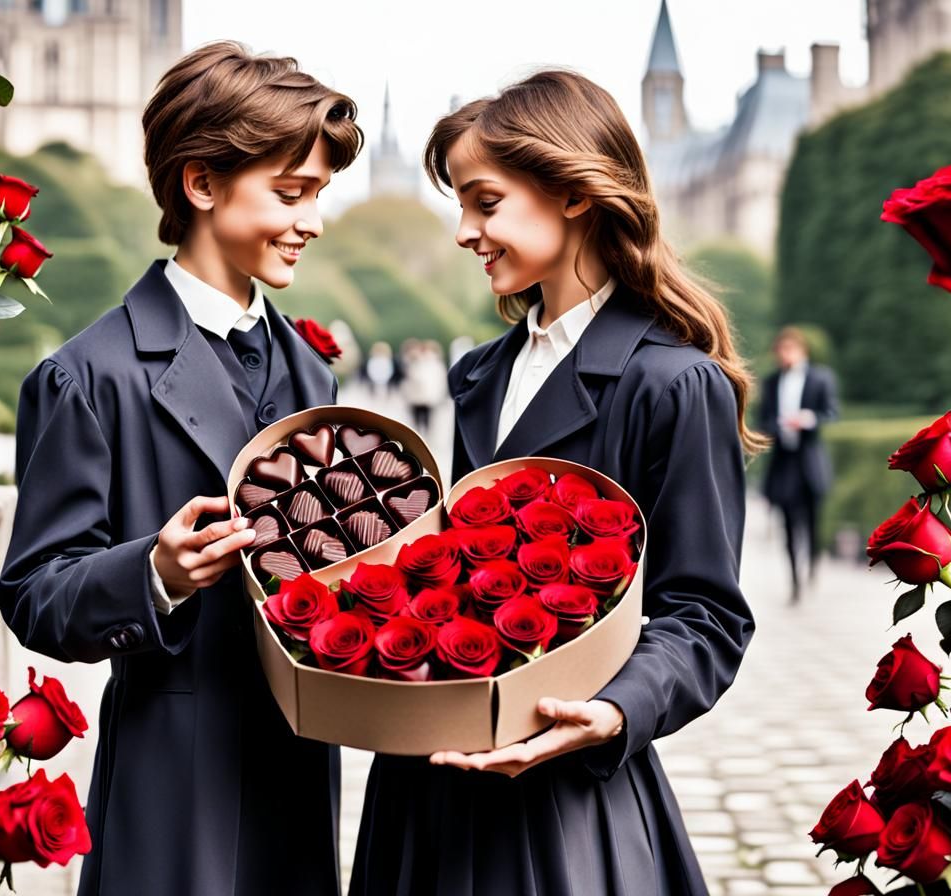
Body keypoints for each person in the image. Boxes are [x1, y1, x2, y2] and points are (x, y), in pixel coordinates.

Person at [351, 70, 758, 896]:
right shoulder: (478, 374)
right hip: (429, 778)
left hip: (568, 789)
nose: (464, 230)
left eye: (485, 202)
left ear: (573, 193)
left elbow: (706, 614)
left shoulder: (673, 384)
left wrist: (610, 714)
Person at [0, 43, 362, 896]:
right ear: (201, 184)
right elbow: (34, 593)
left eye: (320, 196)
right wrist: (153, 574)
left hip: (301, 768)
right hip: (171, 774)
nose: (311, 220)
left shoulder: (314, 376)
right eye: (290, 192)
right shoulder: (87, 374)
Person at [757, 326, 839, 602]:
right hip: (784, 463)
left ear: (801, 351)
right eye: (781, 350)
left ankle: (813, 565)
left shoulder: (820, 378)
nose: (785, 355)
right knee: (788, 523)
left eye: (789, 349)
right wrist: (779, 426)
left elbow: (831, 413)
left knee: (814, 521)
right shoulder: (770, 382)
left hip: (810, 460)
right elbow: (763, 421)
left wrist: (808, 419)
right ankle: (794, 579)